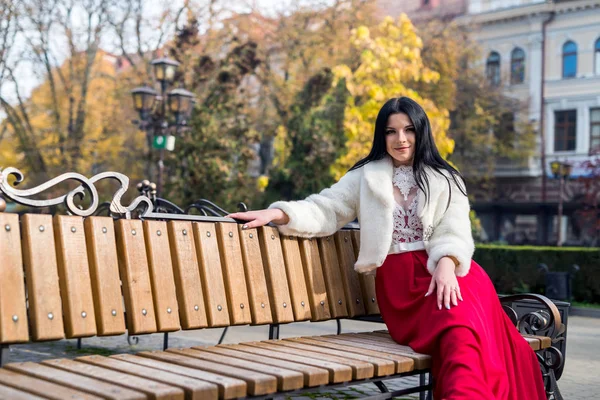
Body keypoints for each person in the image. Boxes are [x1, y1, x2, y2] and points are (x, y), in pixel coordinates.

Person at [227, 97, 546, 400]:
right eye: (391, 131)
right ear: (382, 136)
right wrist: (277, 213)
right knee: (458, 328)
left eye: (409, 130)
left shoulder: (446, 178)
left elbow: (455, 229)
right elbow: (327, 208)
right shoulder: (365, 177)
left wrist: (447, 263)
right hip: (402, 290)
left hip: (449, 273)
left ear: (421, 132)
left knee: (462, 331)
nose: (401, 139)